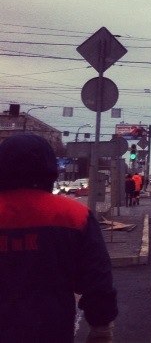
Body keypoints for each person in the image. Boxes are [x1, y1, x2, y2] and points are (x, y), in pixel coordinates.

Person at [0, 133, 118, 343]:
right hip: (50, 329)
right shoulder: (75, 215)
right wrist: (101, 326)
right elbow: (97, 277)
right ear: (49, 167)